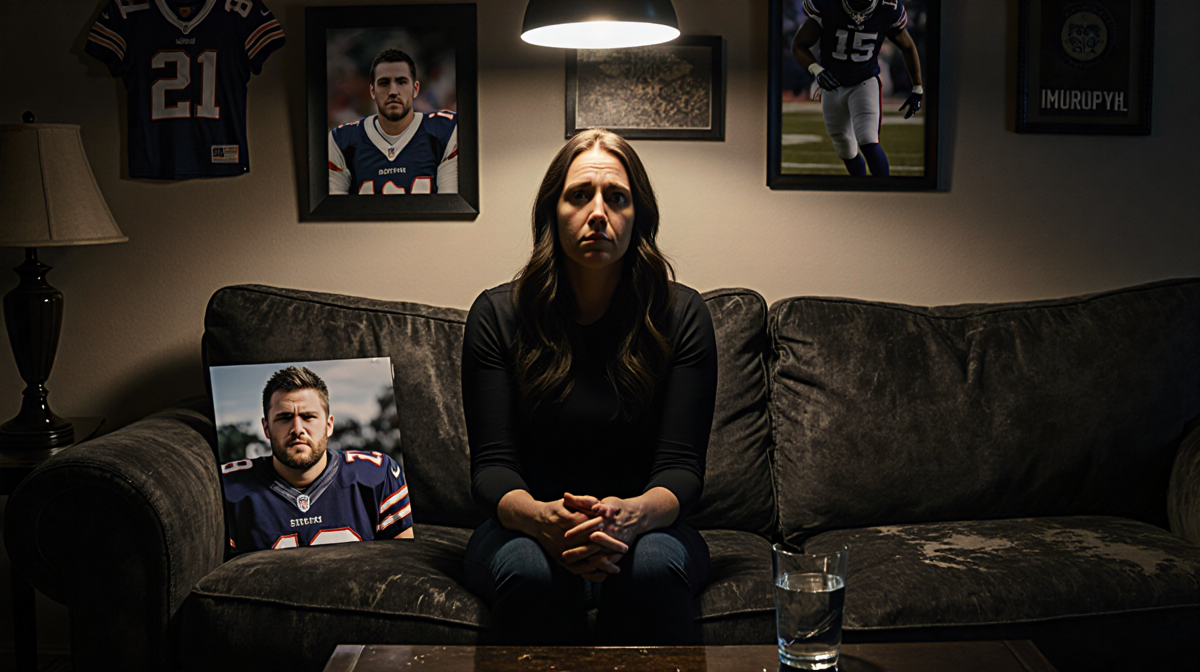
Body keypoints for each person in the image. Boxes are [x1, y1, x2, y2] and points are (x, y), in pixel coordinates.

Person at [461, 129, 718, 644]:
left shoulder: (683, 315)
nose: (597, 213)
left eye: (616, 197)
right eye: (579, 195)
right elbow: (492, 469)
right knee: (531, 569)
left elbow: (682, 470)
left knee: (652, 565)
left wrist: (632, 517)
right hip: (525, 527)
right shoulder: (497, 316)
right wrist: (543, 520)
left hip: (649, 528)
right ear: (552, 212)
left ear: (638, 216)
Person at [222, 366, 414, 555]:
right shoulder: (228, 487)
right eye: (284, 418)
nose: (297, 429)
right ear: (266, 428)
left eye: (308, 417)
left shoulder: (378, 475)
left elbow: (406, 562)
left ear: (329, 425)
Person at [792, 0, 925, 177]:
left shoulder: (887, 8)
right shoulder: (828, 5)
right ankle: (860, 187)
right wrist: (817, 70)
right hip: (832, 83)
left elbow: (907, 46)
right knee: (845, 149)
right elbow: (799, 45)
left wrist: (917, 87)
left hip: (864, 80)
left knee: (868, 140)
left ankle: (885, 190)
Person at [328, 48, 458, 195]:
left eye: (402, 82)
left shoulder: (444, 132)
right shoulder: (342, 141)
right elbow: (333, 207)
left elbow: (452, 204)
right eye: (384, 83)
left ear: (415, 89)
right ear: (372, 91)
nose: (393, 92)